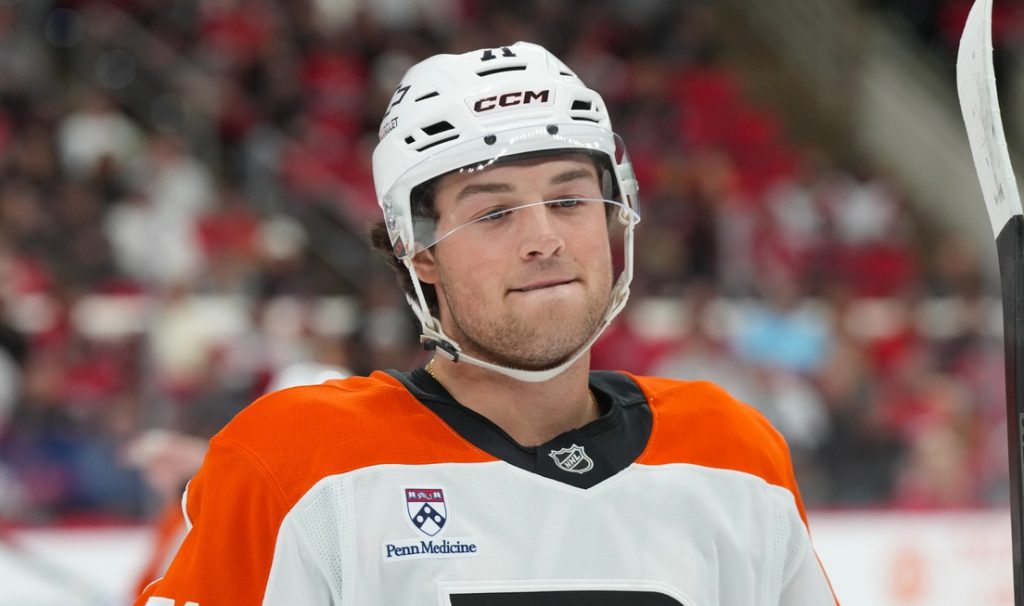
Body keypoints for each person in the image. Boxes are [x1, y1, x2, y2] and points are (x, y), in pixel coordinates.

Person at [135, 42, 837, 605]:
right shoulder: (296, 466)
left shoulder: (732, 453)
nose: (545, 240)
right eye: (494, 212)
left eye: (570, 201)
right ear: (420, 251)